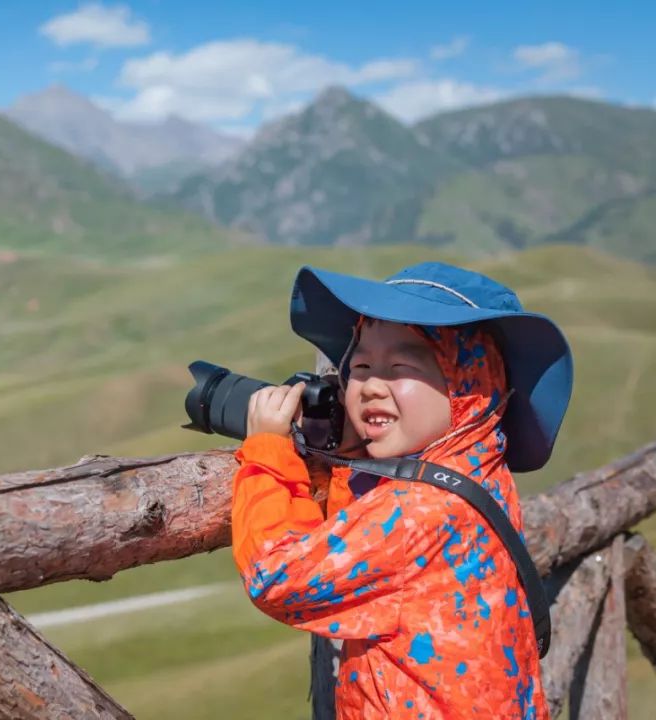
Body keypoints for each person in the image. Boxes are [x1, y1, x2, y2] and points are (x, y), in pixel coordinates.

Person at [231, 262, 572, 719]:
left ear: (466, 385)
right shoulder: (479, 472)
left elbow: (276, 576)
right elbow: (369, 550)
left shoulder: (419, 510)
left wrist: (268, 452)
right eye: (362, 365)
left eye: (400, 366)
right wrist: (349, 465)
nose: (371, 385)